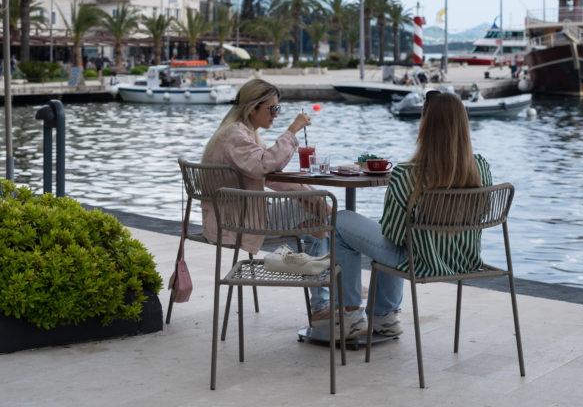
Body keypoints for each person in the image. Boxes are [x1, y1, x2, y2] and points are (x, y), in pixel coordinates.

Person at [332, 90, 493, 338]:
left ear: (425, 125)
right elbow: (483, 213)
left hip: (421, 263)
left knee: (341, 221)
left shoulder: (407, 174)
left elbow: (394, 236)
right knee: (387, 235)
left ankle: (352, 315)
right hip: (464, 260)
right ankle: (385, 318)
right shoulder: (481, 166)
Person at [201, 79, 333, 322]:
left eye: (278, 109)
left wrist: (312, 196)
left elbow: (268, 175)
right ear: (253, 108)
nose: (276, 114)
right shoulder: (235, 136)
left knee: (317, 224)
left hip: (238, 213)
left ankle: (327, 299)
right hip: (238, 220)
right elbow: (265, 165)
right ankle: (330, 297)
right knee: (321, 218)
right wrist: (292, 131)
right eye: (273, 109)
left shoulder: (242, 132)